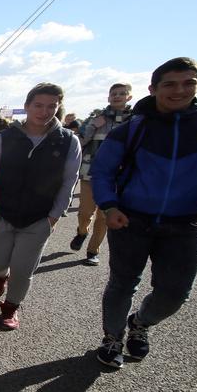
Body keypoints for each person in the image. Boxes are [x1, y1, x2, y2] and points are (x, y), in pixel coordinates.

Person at [91, 57, 197, 369]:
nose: (179, 90)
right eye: (169, 84)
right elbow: (102, 172)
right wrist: (110, 205)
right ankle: (112, 337)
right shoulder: (132, 129)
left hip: (187, 225)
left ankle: (140, 322)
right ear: (153, 89)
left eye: (188, 83)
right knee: (121, 283)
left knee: (175, 294)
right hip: (130, 221)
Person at [0, 83, 81, 330]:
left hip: (39, 219)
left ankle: (11, 307)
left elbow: (69, 181)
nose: (44, 111)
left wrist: (54, 216)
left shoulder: (68, 141)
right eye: (38, 105)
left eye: (52, 106)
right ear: (27, 106)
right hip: (2, 215)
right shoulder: (3, 139)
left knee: (23, 269)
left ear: (59, 108)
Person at [70, 83, 133, 266]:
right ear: (108, 97)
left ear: (129, 97)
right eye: (114, 93)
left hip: (118, 176)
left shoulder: (134, 120)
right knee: (85, 212)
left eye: (122, 93)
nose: (117, 96)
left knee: (104, 216)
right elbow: (79, 142)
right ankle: (82, 232)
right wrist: (93, 127)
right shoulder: (97, 118)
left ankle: (93, 251)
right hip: (92, 173)